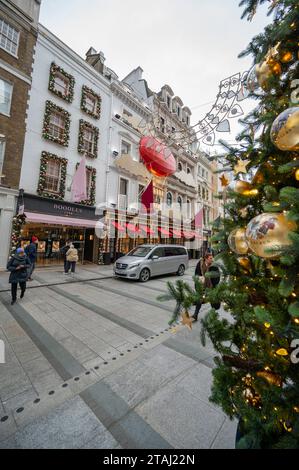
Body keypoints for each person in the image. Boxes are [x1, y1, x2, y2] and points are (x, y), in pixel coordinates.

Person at [192, 252, 221, 321]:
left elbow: (217, 276)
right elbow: (196, 273)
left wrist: (213, 285)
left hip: (211, 286)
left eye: (212, 258)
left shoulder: (214, 266)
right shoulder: (200, 264)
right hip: (201, 286)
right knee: (199, 300)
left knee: (212, 301)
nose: (212, 259)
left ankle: (213, 316)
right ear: (206, 259)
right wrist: (199, 278)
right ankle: (195, 315)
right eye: (210, 258)